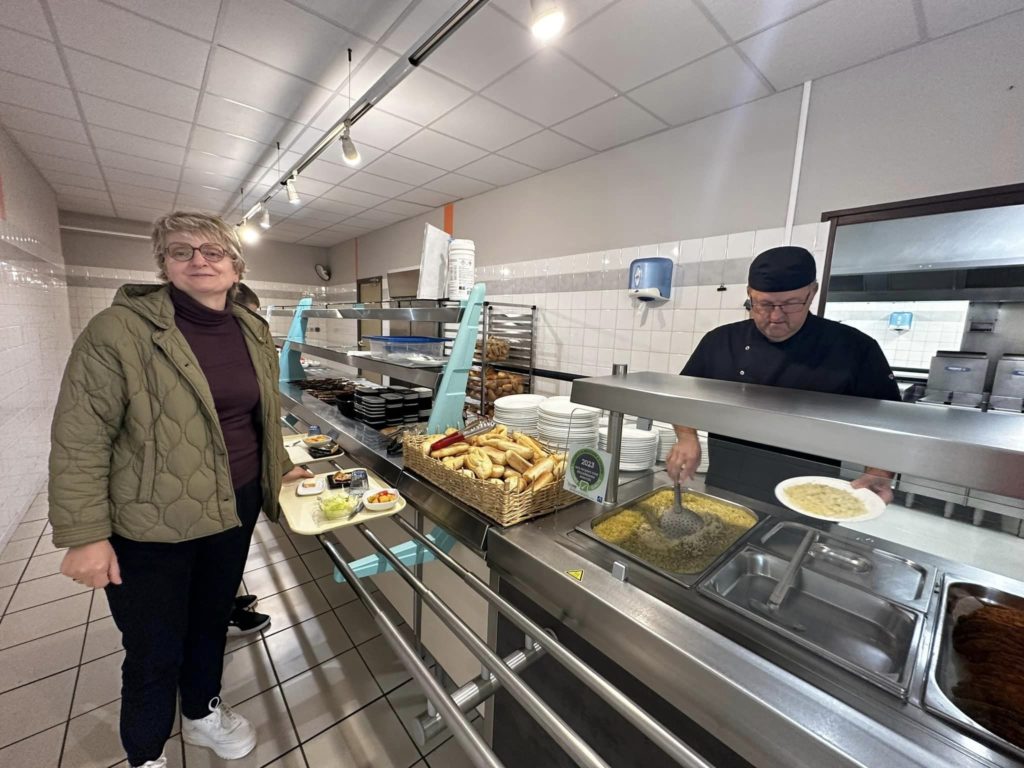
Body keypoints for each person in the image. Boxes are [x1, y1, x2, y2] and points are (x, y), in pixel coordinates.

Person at [48, 212, 312, 768]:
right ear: (163, 265)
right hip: (149, 518)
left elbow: (259, 412)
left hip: (234, 504)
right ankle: (145, 754)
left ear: (236, 264)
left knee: (210, 619)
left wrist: (277, 464)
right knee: (153, 646)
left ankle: (202, 714)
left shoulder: (251, 327)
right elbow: (80, 436)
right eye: (181, 251)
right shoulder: (117, 331)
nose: (199, 261)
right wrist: (85, 534)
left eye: (213, 251)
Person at [666, 245, 899, 503]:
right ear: (749, 295)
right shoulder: (720, 341)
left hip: (813, 495)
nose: (775, 316)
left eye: (790, 304)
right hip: (727, 487)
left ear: (812, 293)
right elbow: (681, 396)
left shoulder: (856, 348)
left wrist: (880, 472)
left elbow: (890, 422)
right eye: (764, 304)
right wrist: (687, 436)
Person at [224, 281, 273, 637]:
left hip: (244, 474)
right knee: (221, 557)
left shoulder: (243, 344)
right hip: (219, 478)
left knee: (230, 554)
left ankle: (226, 601)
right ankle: (221, 612)